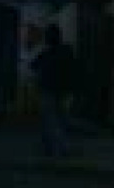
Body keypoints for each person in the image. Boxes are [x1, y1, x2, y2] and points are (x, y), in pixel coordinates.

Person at [29, 24, 76, 157]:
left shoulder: (47, 53)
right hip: (64, 91)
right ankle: (59, 147)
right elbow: (74, 69)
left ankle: (56, 149)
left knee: (51, 121)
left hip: (48, 91)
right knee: (61, 120)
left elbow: (33, 65)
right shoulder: (67, 51)